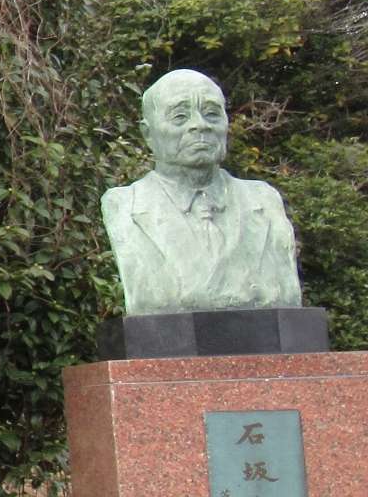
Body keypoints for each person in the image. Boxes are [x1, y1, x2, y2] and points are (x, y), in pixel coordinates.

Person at [101, 69, 302, 315]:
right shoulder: (124, 206)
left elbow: (287, 295)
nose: (200, 125)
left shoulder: (264, 200)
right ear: (148, 134)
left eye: (211, 113)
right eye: (180, 116)